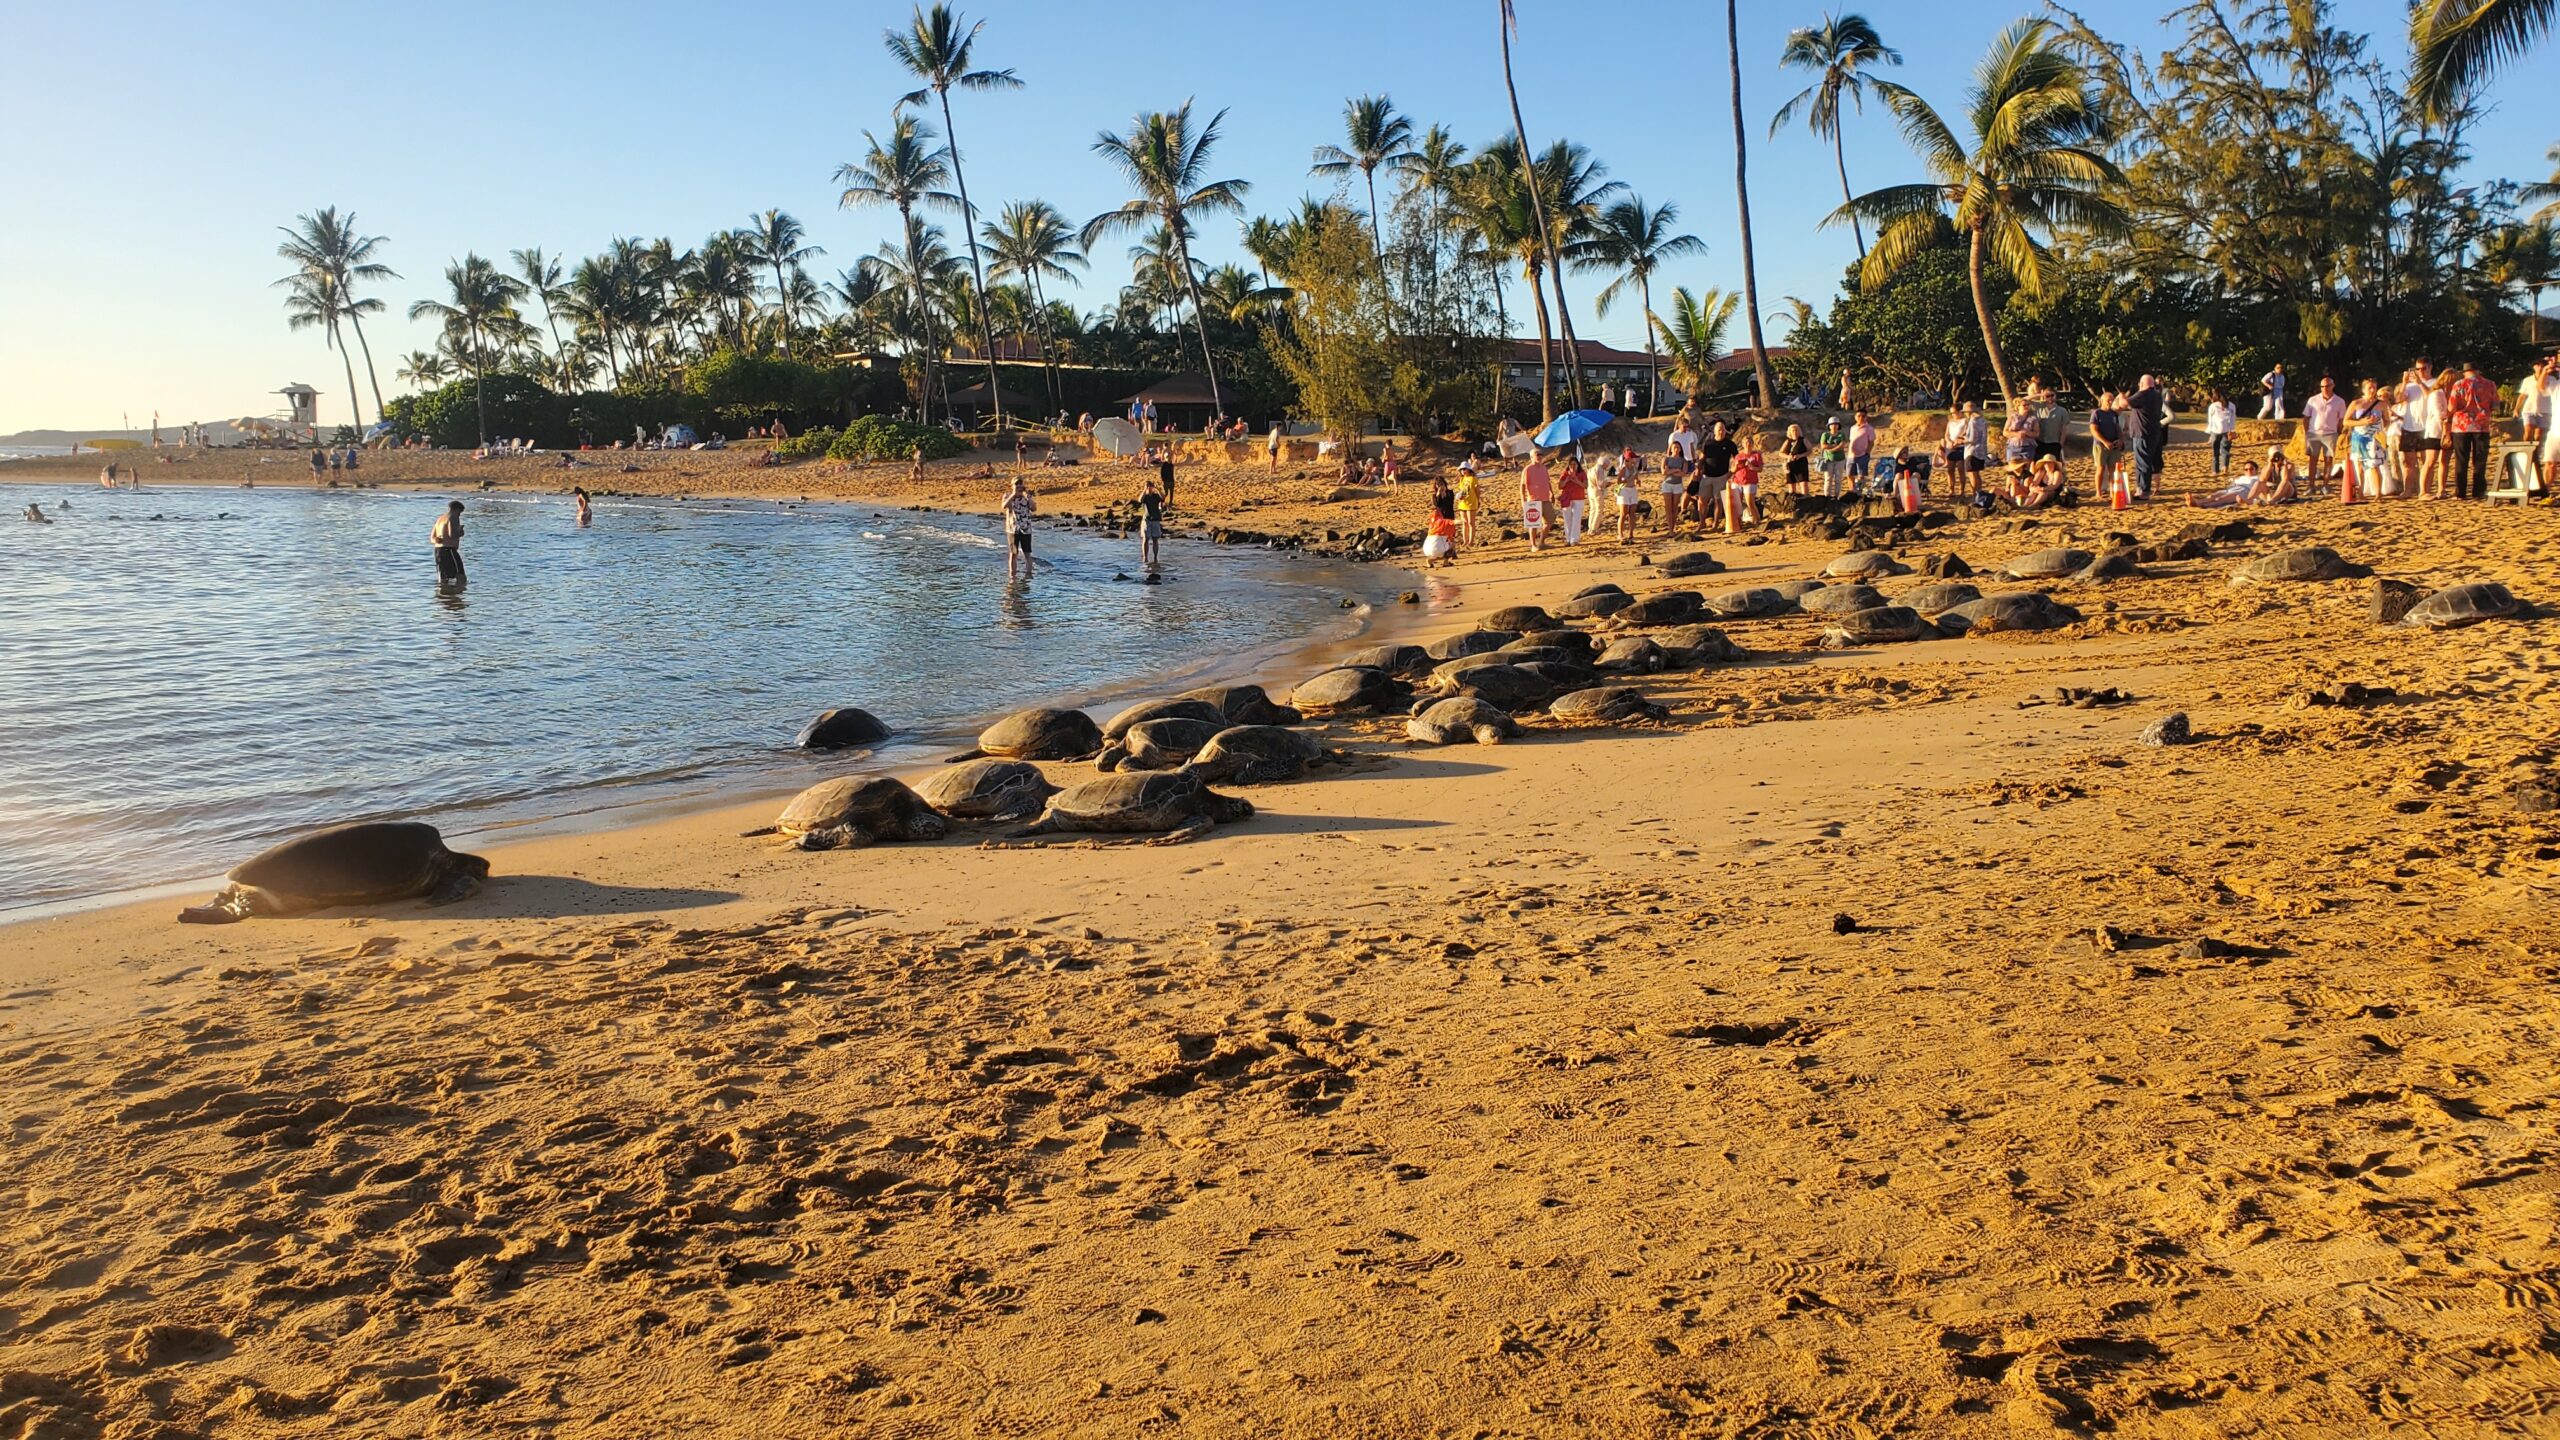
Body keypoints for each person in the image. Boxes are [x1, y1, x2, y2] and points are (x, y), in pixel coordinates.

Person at [2446, 360, 2497, 501]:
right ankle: (2478, 491)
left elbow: (2452, 406)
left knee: (2461, 460)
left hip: (2461, 425)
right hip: (2481, 425)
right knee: (2480, 459)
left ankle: (2460, 492)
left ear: (2465, 372)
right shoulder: (2490, 384)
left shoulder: (2459, 384)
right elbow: (2495, 405)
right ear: (2478, 370)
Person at [2399, 361, 2441, 499]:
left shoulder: (2435, 383)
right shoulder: (2410, 386)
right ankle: (2407, 491)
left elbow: (2431, 396)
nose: (2420, 372)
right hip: (2409, 426)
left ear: (2430, 367)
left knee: (2427, 462)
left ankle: (2425, 490)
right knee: (2409, 463)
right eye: (2417, 369)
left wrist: (2420, 383)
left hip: (2426, 428)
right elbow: (2399, 399)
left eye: (2423, 368)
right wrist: (2404, 383)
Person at [2344, 381, 2389, 503]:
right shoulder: (2356, 403)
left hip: (2374, 437)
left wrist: (2381, 428)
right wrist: (2362, 422)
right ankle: (2360, 493)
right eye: (2370, 388)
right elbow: (2346, 421)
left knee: (2374, 465)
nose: (2373, 390)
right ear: (2363, 390)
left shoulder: (2382, 404)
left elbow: (2387, 420)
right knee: (2359, 466)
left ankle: (2378, 493)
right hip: (2359, 436)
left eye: (2374, 387)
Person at [2301, 376, 2345, 493]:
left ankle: (2325, 485)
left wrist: (2338, 432)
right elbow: (2306, 418)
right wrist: (2307, 433)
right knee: (2312, 460)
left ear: (2332, 386)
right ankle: (2311, 485)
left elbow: (2341, 420)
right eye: (2322, 386)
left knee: (2328, 460)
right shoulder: (2313, 400)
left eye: (2327, 386)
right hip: (2314, 433)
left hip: (2330, 433)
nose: (2324, 388)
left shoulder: (2339, 401)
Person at [1695, 421, 1736, 529]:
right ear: (1715, 431)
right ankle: (1702, 522)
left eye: (1723, 430)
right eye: (1719, 430)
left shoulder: (1729, 444)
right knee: (1702, 499)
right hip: (1707, 475)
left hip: (1722, 476)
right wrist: (1698, 468)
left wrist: (1731, 472)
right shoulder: (1708, 443)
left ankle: (1715, 524)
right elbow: (1702, 457)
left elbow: (1737, 459)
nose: (1721, 432)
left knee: (1718, 501)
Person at [1001, 476, 1036, 581]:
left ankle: (1028, 575)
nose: (1019, 486)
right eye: (1017, 484)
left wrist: (1028, 497)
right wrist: (1013, 494)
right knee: (1013, 554)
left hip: (1026, 529)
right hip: (1012, 529)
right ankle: (1012, 577)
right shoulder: (1007, 496)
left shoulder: (1026, 496)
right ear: (1012, 486)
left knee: (1027, 553)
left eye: (1020, 484)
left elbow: (1034, 508)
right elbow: (1004, 506)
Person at [1725, 441, 1764, 533]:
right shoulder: (1738, 456)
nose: (1748, 444)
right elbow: (1733, 469)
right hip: (1738, 480)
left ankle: (1757, 520)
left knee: (1750, 502)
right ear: (1743, 444)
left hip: (1750, 481)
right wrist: (1737, 465)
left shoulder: (1756, 455)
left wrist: (1751, 467)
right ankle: (1738, 523)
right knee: (1737, 503)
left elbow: (1760, 469)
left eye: (1749, 443)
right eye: (1746, 443)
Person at [1520, 450, 1553, 552]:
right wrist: (1523, 500)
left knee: (1550, 519)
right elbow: (1522, 486)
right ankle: (1533, 545)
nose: (1539, 456)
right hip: (1533, 500)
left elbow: (1548, 481)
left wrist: (1552, 493)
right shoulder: (1528, 469)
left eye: (1541, 454)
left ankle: (1542, 542)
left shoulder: (1543, 467)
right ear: (1532, 457)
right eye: (1537, 454)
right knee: (1533, 524)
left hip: (1545, 498)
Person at [1423, 475, 1459, 567]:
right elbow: (1437, 504)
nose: (1440, 486)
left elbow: (1450, 502)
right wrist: (1439, 494)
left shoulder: (1450, 493)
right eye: (1438, 485)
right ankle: (1446, 557)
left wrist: (1444, 494)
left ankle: (1450, 555)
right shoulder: (1434, 495)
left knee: (1451, 536)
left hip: (1449, 516)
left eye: (1441, 484)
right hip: (1440, 519)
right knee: (1444, 538)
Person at [431, 501, 466, 587]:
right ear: (456, 509)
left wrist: (438, 539)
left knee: (443, 577)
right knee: (460, 575)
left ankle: (443, 597)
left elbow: (432, 538)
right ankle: (459, 595)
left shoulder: (440, 519)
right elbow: (452, 535)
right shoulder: (453, 517)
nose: (459, 515)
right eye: (460, 513)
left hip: (438, 550)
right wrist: (461, 532)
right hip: (449, 550)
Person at [1658, 433, 1687, 534]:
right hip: (1667, 484)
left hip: (1677, 485)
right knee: (1668, 507)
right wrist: (1675, 470)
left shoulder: (1683, 460)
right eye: (1674, 447)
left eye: (1678, 447)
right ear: (1671, 449)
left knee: (1675, 507)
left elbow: (1683, 473)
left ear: (1680, 449)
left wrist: (1671, 471)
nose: (1676, 449)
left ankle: (1673, 527)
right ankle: (1670, 529)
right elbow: (1663, 472)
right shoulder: (1666, 459)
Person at [1556, 453, 1588, 545]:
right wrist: (1567, 480)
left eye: (1575, 464)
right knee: (1567, 519)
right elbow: (1560, 486)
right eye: (1571, 465)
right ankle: (1568, 539)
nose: (1573, 466)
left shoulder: (1582, 473)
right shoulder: (1565, 473)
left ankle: (1574, 539)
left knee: (1576, 519)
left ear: (1578, 465)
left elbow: (1585, 485)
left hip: (1578, 498)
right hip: (1567, 498)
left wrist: (1576, 480)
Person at [2203, 390, 2236, 477]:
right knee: (2225, 450)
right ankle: (2225, 467)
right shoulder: (2232, 405)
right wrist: (2232, 430)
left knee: (2215, 451)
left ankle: (2215, 470)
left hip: (2215, 430)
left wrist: (2209, 433)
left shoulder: (2213, 406)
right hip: (2227, 430)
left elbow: (2210, 421)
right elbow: (2233, 419)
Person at [1614, 450, 1643, 542]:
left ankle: (1631, 533)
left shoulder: (1634, 468)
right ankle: (1620, 534)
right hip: (1624, 490)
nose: (1635, 460)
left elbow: (1636, 477)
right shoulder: (1623, 469)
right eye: (1633, 458)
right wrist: (1626, 480)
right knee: (1623, 513)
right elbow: (1618, 481)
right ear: (1628, 459)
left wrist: (1637, 481)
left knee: (1632, 513)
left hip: (1632, 490)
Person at [1815, 415, 1847, 497]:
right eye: (1832, 424)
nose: (1834, 426)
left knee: (1838, 479)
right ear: (1829, 426)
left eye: (1836, 424)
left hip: (1840, 459)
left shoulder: (1841, 435)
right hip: (1828, 460)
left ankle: (1836, 496)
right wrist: (1835, 446)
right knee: (1828, 479)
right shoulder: (1825, 435)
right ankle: (1827, 496)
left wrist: (1831, 449)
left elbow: (1842, 445)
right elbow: (1823, 446)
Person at [1137, 475, 1165, 569]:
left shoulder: (1156, 496)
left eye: (1150, 487)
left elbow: (1163, 497)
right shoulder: (1145, 497)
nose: (1149, 488)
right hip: (1147, 519)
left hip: (1155, 519)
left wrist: (1157, 488)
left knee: (1155, 540)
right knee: (1145, 539)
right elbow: (1140, 500)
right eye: (1148, 487)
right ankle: (1145, 557)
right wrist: (1144, 490)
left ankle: (1156, 558)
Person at [1454, 454, 1483, 548]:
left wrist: (1478, 500)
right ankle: (1465, 540)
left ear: (1468, 470)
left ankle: (1471, 541)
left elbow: (1477, 491)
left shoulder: (1473, 479)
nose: (1463, 471)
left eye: (1464, 469)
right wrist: (1459, 496)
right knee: (1465, 522)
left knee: (1471, 523)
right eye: (1462, 470)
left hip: (1471, 502)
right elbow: (1462, 490)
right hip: (1463, 503)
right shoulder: (1462, 479)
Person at [1848, 410, 1877, 489]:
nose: (1861, 418)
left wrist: (1867, 453)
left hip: (1862, 455)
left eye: (1863, 416)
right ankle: (1852, 491)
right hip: (1851, 455)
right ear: (1855, 417)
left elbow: (1871, 442)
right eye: (1859, 416)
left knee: (1861, 475)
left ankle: (1859, 492)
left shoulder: (1869, 428)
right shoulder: (1852, 428)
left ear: (1866, 417)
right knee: (1850, 474)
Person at [1779, 423, 1812, 495]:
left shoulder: (1803, 440)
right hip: (1790, 465)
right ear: (1790, 432)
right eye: (1793, 431)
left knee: (1803, 483)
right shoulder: (1788, 441)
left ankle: (1805, 498)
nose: (1794, 432)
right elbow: (1781, 453)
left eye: (1796, 430)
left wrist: (1800, 455)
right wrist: (1788, 457)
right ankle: (1793, 499)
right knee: (1791, 484)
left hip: (1801, 464)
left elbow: (1810, 451)